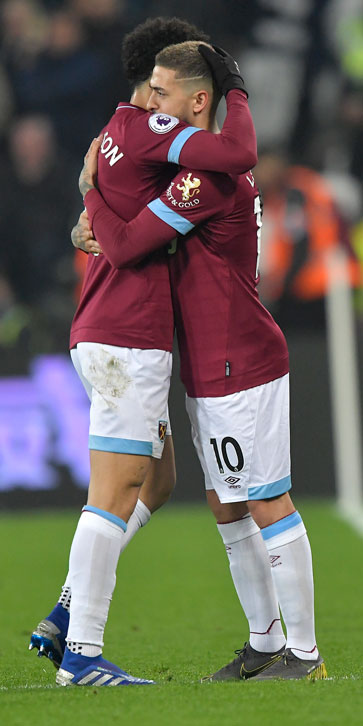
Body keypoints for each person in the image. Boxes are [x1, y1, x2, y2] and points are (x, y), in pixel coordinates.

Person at [75, 41, 327, 682]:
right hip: (210, 368)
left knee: (268, 502)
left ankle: (302, 653)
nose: (150, 103)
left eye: (162, 93)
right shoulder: (191, 171)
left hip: (241, 363)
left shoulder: (205, 179)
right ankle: (264, 641)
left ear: (198, 100)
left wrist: (94, 193)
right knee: (227, 503)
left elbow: (130, 242)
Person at [29, 18, 257, 687]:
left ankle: (66, 610)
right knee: (113, 493)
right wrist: (234, 89)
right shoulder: (145, 129)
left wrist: (96, 210)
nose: (167, 103)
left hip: (107, 330)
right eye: (161, 89)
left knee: (157, 481)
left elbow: (103, 207)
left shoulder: (111, 144)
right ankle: (81, 655)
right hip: (126, 336)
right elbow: (234, 156)